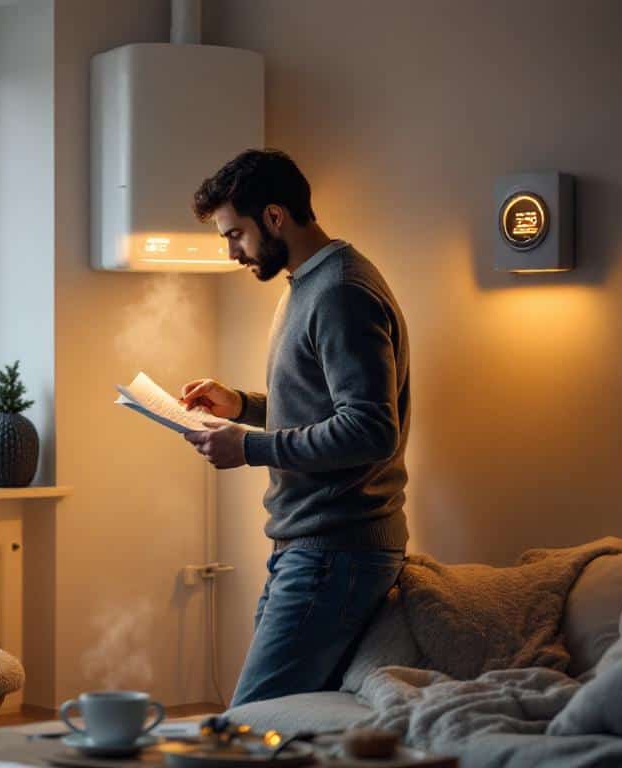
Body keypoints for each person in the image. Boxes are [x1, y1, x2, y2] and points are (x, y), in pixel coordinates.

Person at [180, 149, 410, 707]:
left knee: (250, 721)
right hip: (312, 547)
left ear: (276, 217)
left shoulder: (340, 292)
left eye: (236, 235)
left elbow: (371, 428)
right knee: (286, 725)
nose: (233, 252)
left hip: (335, 550)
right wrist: (241, 405)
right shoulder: (307, 285)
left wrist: (250, 447)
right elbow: (320, 407)